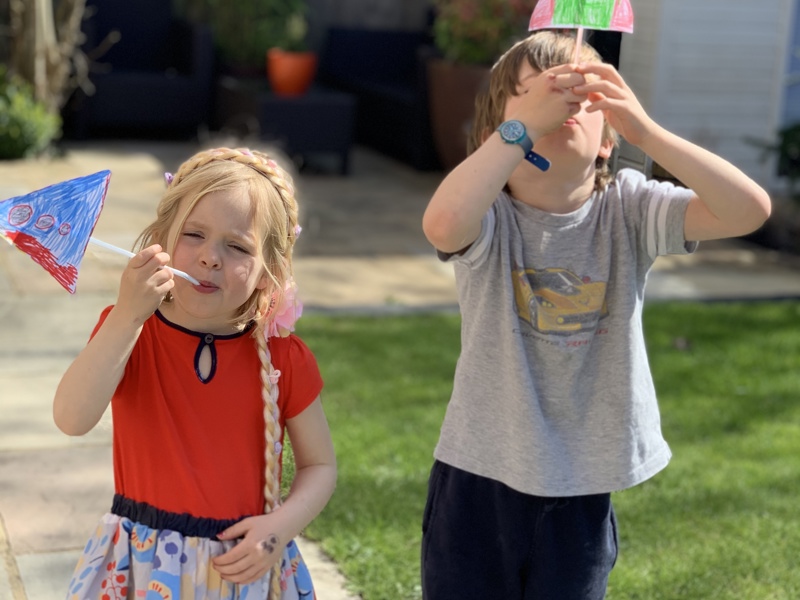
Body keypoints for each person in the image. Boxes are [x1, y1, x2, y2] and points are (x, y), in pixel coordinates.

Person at [420, 31, 770, 600]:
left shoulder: (631, 209)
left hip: (582, 486)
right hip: (477, 478)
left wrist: (647, 132)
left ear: (608, 140)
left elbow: (748, 209)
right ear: (494, 138)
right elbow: (442, 224)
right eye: (533, 94)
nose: (559, 104)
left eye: (582, 95)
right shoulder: (489, 216)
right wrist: (523, 128)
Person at [53, 147, 337, 599]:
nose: (210, 257)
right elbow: (71, 417)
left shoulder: (285, 358)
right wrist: (127, 315)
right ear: (161, 239)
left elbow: (320, 465)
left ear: (271, 272)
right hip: (139, 568)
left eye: (237, 246)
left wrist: (277, 530)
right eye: (194, 235)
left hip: (241, 568)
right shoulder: (130, 330)